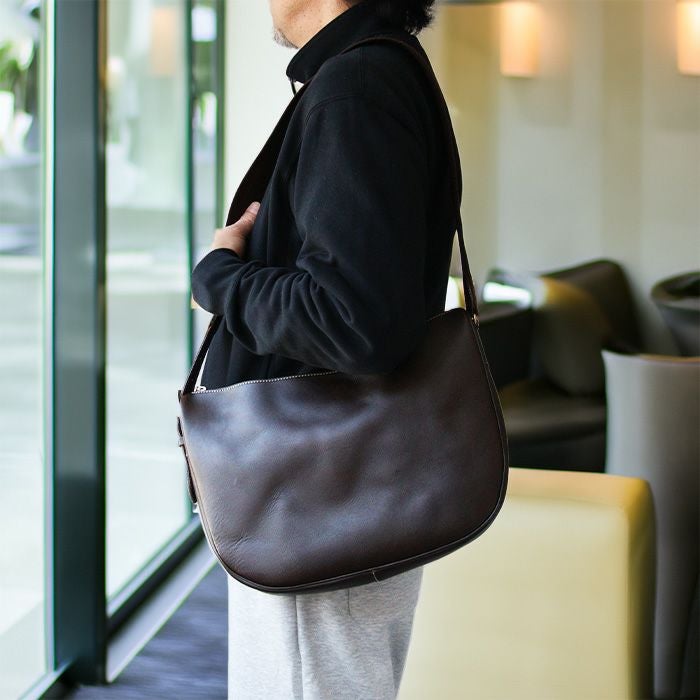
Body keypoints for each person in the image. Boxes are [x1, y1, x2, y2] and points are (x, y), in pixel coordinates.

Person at [190, 0, 458, 697]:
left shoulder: (355, 87)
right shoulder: (376, 73)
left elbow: (351, 319)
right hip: (340, 482)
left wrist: (221, 277)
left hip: (316, 496)